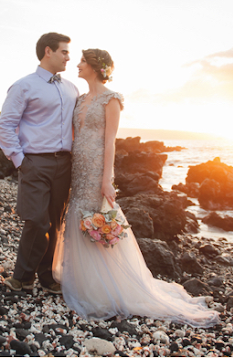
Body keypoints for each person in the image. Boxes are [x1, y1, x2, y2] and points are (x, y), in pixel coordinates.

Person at [52, 49, 220, 327]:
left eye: (82, 61)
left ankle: (108, 287)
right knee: (77, 219)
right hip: (77, 170)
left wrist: (108, 179)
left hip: (96, 171)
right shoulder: (80, 99)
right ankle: (84, 282)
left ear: (94, 66)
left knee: (98, 222)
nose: (77, 65)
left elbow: (110, 142)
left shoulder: (111, 99)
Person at [0, 32, 79, 294]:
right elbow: (6, 126)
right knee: (36, 220)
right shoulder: (24, 86)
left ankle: (47, 277)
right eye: (64, 51)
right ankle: (21, 278)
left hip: (64, 164)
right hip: (34, 163)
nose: (69, 57)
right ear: (48, 51)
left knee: (54, 222)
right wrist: (20, 161)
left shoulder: (72, 89)